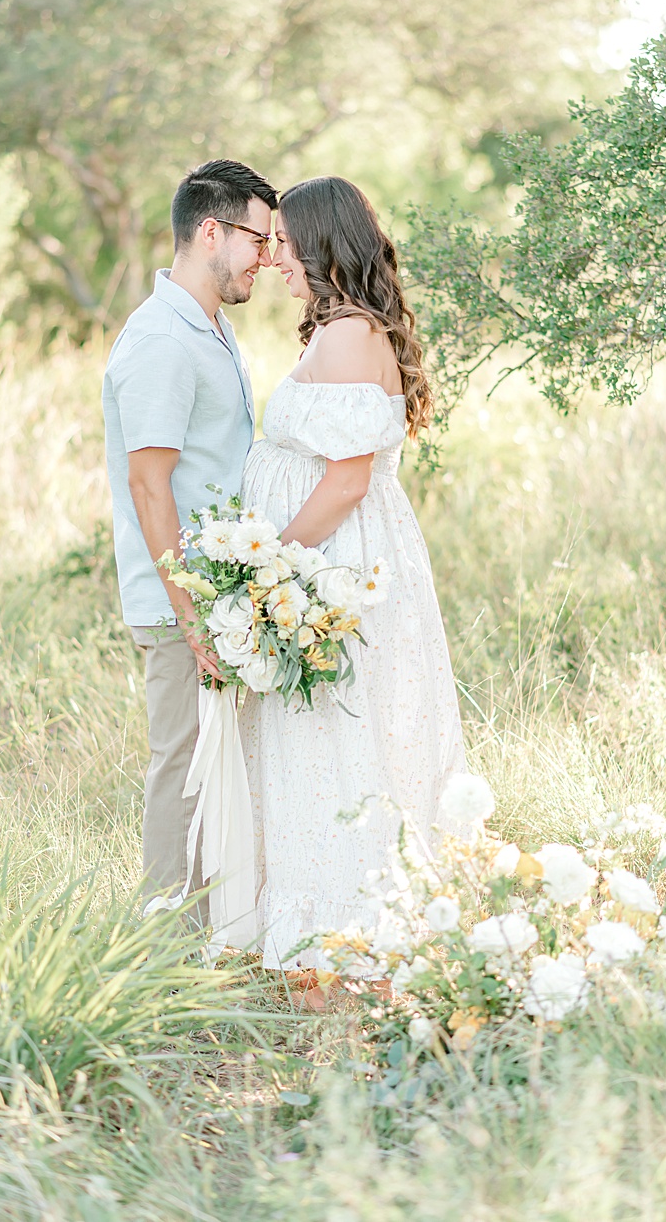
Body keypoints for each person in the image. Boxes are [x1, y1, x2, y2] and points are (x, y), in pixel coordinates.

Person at [239, 175, 466, 989]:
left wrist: (270, 568)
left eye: (287, 246)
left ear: (321, 244)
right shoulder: (345, 330)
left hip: (333, 562)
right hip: (345, 558)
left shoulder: (345, 336)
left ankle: (345, 941)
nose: (277, 262)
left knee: (337, 742)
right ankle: (349, 935)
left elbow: (344, 482)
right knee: (341, 742)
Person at [102, 158, 278, 919]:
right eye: (256, 239)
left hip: (217, 595)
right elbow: (150, 483)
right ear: (211, 230)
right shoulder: (160, 341)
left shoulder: (211, 327)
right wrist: (190, 610)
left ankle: (211, 936)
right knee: (180, 767)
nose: (267, 259)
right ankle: (160, 954)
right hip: (184, 599)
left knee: (215, 770)